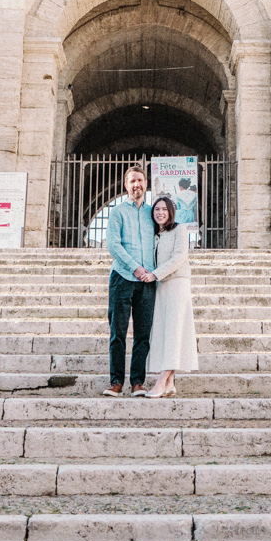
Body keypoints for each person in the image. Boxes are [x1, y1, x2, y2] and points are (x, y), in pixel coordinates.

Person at [103, 164, 156, 397]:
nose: (137, 184)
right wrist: (135, 268)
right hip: (123, 277)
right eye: (132, 181)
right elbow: (113, 245)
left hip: (147, 282)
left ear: (146, 184)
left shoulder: (152, 213)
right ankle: (116, 381)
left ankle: (137, 382)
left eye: (140, 180)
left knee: (143, 334)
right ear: (126, 185)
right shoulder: (117, 212)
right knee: (118, 332)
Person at [143, 193, 197, 398]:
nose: (160, 213)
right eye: (157, 209)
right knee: (165, 333)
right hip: (161, 287)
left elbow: (179, 257)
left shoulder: (179, 230)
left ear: (171, 212)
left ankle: (160, 381)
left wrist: (154, 274)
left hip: (176, 284)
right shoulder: (156, 234)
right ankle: (170, 383)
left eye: (164, 209)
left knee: (174, 333)